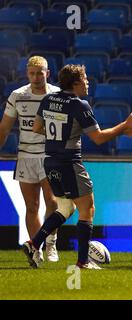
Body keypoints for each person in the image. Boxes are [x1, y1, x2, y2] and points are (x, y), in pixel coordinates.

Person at [22, 64, 132, 269]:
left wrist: (59, 137)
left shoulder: (48, 99)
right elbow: (98, 138)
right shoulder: (80, 105)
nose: (88, 82)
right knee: (87, 208)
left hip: (50, 161)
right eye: (85, 79)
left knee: (66, 207)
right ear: (77, 83)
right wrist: (124, 126)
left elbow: (36, 127)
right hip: (69, 163)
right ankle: (82, 262)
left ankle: (33, 243)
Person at [0, 56, 60, 263]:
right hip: (25, 156)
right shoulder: (18, 96)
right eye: (32, 73)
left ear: (47, 73)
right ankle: (37, 248)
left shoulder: (57, 96)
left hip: (49, 155)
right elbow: (5, 127)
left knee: (52, 202)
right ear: (27, 73)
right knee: (32, 206)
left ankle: (51, 241)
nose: (36, 77)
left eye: (40, 73)